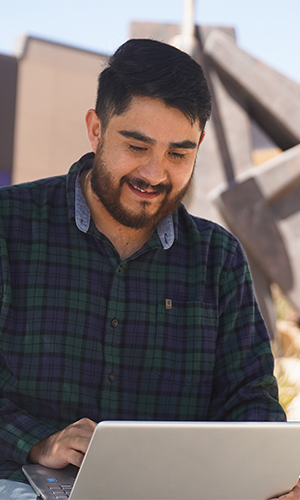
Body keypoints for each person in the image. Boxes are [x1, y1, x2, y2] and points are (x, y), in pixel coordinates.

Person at [0, 38, 294, 499]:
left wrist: (264, 474)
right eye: (137, 146)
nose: (155, 174)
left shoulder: (220, 259)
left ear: (199, 144)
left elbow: (249, 398)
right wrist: (37, 440)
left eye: (178, 154)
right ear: (96, 130)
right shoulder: (7, 227)